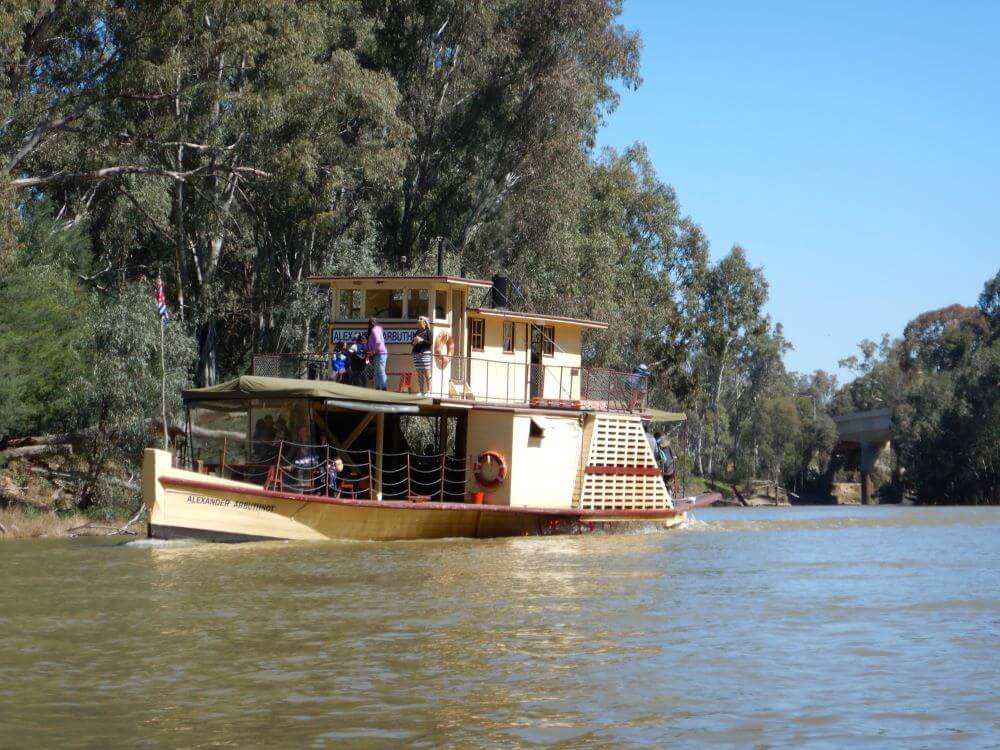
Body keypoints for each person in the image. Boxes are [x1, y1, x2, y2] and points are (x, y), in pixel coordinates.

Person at [411, 315, 433, 395]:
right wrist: (414, 342)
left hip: (425, 354)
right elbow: (412, 343)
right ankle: (421, 391)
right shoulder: (417, 332)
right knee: (419, 373)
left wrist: (422, 340)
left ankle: (429, 391)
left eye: (420, 325)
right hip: (417, 354)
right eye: (418, 325)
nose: (419, 326)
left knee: (427, 372)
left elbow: (430, 343)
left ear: (425, 324)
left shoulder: (428, 332)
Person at [366, 317, 389, 390]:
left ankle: (384, 388)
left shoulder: (374, 330)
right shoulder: (378, 329)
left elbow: (378, 342)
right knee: (377, 371)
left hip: (380, 353)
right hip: (379, 353)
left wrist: (373, 351)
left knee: (381, 371)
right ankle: (378, 387)